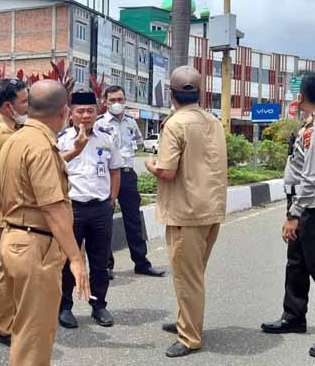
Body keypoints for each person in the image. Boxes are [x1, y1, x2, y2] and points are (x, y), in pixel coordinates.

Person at [0, 80, 90, 366]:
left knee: (25, 331)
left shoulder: (17, 138)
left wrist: (72, 152)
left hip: (15, 239)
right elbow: (53, 207)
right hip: (35, 246)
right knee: (35, 336)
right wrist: (76, 258)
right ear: (64, 111)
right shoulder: (41, 146)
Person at [261, 73, 315, 358]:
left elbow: (311, 177)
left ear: (302, 97)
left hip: (314, 203)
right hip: (306, 200)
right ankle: (294, 316)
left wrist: (294, 214)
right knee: (297, 261)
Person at [145, 66, 227, 358]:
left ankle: (190, 336)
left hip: (186, 212)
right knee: (194, 274)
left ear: (171, 93)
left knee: (187, 277)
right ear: (201, 93)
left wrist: (150, 165)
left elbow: (166, 171)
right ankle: (186, 321)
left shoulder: (176, 124)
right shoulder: (213, 121)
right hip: (211, 210)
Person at [57, 90, 122, 329]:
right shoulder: (62, 139)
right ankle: (64, 308)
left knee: (100, 261)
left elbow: (115, 170)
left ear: (97, 112)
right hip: (72, 209)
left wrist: (111, 199)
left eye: (90, 111)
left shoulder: (106, 138)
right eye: (80, 111)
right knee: (66, 262)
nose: (85, 116)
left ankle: (99, 305)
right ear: (71, 114)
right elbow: (53, 166)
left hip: (100, 209)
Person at [95, 85, 164, 279]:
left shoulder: (131, 123)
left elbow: (138, 143)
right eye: (112, 100)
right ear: (105, 102)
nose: (117, 104)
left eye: (120, 100)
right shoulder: (99, 124)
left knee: (133, 220)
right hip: (107, 176)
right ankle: (106, 265)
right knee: (104, 220)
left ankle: (141, 263)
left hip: (127, 174)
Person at [0, 78, 29, 346]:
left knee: (13, 270)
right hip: (7, 211)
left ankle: (12, 322)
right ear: (9, 106)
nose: (28, 105)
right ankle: (5, 328)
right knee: (9, 271)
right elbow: (31, 162)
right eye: (24, 101)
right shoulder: (1, 132)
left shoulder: (10, 123)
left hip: (12, 209)